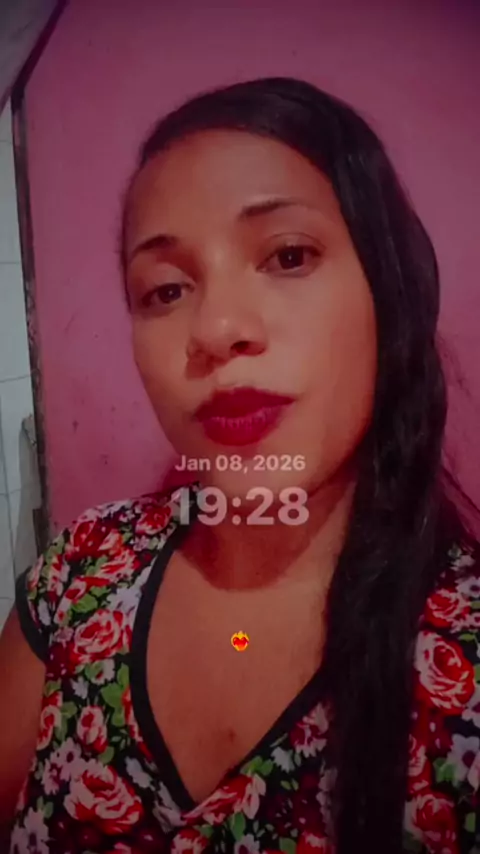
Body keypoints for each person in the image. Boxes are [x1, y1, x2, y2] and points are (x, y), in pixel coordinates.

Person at [0, 76, 479, 854]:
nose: (215, 328)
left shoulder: (465, 663)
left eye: (288, 255)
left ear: (390, 289)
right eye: (165, 290)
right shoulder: (80, 575)